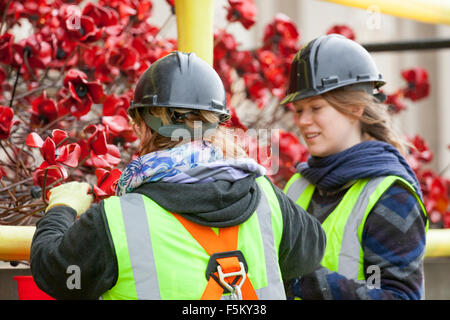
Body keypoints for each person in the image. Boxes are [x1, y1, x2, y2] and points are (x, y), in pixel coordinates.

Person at [30, 51, 326, 300]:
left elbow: (56, 274)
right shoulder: (264, 194)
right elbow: (311, 252)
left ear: (141, 125)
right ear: (217, 124)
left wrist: (61, 207)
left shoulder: (115, 221)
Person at [281, 34, 429, 300]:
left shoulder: (391, 196)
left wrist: (305, 280)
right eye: (299, 109)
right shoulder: (297, 186)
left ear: (356, 108)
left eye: (316, 107)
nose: (303, 121)